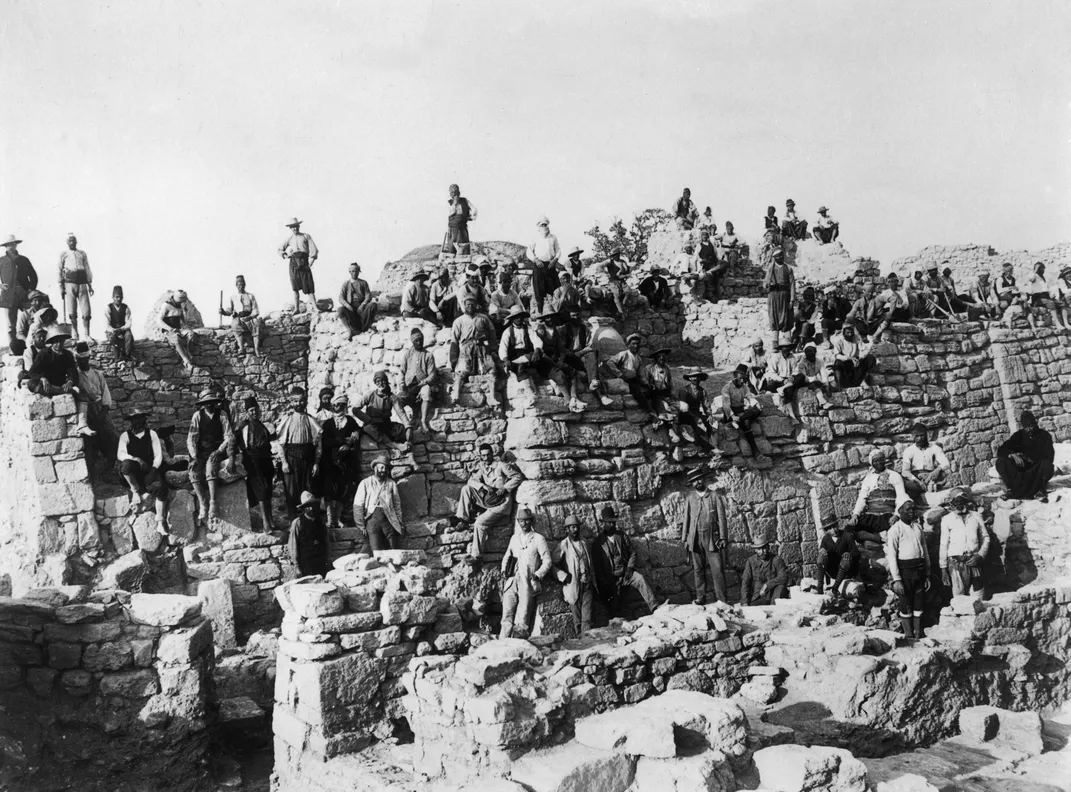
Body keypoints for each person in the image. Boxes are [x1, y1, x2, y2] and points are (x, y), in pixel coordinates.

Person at [452, 443, 525, 555]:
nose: (486, 458)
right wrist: (484, 486)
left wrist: (505, 488)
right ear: (481, 456)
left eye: (488, 455)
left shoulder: (501, 466)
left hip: (501, 504)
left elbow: (518, 476)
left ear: (492, 454)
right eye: (483, 456)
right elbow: (471, 481)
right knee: (466, 489)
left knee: (479, 523)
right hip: (489, 500)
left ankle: (476, 556)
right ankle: (463, 519)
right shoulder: (483, 468)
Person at [25, 324, 96, 437]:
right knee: (32, 384)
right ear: (52, 342)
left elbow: (72, 371)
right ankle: (61, 391)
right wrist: (43, 378)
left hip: (61, 384)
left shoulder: (67, 355)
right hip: (47, 385)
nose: (59, 344)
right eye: (56, 341)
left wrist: (70, 382)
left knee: (83, 395)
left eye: (61, 341)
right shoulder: (44, 353)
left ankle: (82, 425)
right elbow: (32, 371)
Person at [592, 505, 658, 617]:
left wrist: (629, 568)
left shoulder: (621, 536)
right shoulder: (599, 542)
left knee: (640, 579)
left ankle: (655, 606)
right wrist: (606, 581)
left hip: (626, 574)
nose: (612, 525)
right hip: (611, 579)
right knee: (615, 607)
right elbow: (597, 567)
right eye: (609, 522)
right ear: (603, 523)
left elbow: (632, 553)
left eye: (613, 522)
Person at [499, 506, 553, 639]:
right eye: (522, 521)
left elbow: (547, 561)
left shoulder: (538, 539)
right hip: (512, 581)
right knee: (507, 614)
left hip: (527, 582)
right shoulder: (514, 539)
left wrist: (537, 574)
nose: (524, 524)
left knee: (522, 617)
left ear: (532, 521)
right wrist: (504, 570)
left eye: (527, 521)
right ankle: (502, 644)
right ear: (518, 522)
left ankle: (518, 646)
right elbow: (507, 556)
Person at [117, 410, 171, 538]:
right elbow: (121, 454)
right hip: (133, 472)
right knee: (126, 465)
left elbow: (158, 455)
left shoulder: (151, 434)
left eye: (140, 419)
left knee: (160, 488)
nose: (138, 422)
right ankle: (135, 491)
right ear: (130, 422)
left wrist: (152, 471)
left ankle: (160, 521)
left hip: (148, 469)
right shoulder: (125, 436)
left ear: (145, 420)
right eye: (134, 420)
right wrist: (136, 459)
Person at [188, 388, 238, 525]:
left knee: (210, 468)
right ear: (203, 404)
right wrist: (194, 456)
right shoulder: (197, 416)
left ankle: (213, 502)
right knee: (193, 472)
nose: (209, 405)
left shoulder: (221, 414)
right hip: (201, 451)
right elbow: (191, 438)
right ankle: (203, 503)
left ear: (215, 403)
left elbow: (228, 435)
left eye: (212, 402)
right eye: (206, 403)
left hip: (216, 450)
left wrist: (219, 450)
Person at [680, 466, 729, 604]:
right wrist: (685, 538)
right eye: (694, 481)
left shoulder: (714, 496)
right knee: (698, 569)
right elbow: (686, 519)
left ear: (704, 479)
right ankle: (701, 598)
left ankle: (722, 600)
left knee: (717, 569)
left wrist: (724, 537)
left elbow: (722, 517)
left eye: (699, 479)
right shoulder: (690, 498)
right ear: (692, 483)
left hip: (712, 538)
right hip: (695, 538)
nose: (698, 483)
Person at [274, 385, 322, 520]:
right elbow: (281, 443)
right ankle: (293, 520)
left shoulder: (310, 420)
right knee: (292, 491)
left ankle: (309, 520)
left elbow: (318, 445)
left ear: (305, 401)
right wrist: (283, 462)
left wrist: (316, 463)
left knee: (308, 489)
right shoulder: (287, 419)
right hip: (291, 459)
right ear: (291, 402)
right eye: (295, 401)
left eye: (301, 401)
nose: (299, 404)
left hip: (308, 459)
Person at [886, 499, 931, 639]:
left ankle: (918, 633)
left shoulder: (917, 527)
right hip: (905, 572)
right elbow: (892, 556)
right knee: (905, 604)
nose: (911, 512)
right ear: (899, 511)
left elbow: (925, 551)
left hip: (919, 570)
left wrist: (928, 574)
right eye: (907, 509)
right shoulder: (895, 530)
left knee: (919, 603)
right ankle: (909, 635)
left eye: (913, 509)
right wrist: (897, 579)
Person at [451, 295, 504, 408]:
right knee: (461, 370)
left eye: (473, 305)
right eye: (468, 305)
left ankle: (492, 396)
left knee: (492, 369)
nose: (470, 307)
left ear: (476, 306)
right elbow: (454, 341)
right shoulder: (458, 321)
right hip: (466, 349)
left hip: (481, 349)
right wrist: (453, 358)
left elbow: (492, 334)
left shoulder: (483, 318)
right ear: (464, 306)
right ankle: (455, 394)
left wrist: (493, 349)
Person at [320, 392, 361, 530]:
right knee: (329, 489)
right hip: (330, 461)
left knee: (343, 489)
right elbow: (325, 441)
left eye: (340, 405)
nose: (337, 408)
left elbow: (357, 434)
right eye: (335, 405)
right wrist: (342, 441)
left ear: (344, 406)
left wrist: (349, 444)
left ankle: (339, 519)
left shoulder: (350, 421)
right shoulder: (328, 423)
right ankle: (330, 519)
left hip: (346, 461)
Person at [939, 488, 989, 600]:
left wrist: (980, 555)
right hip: (956, 564)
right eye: (956, 502)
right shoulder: (947, 520)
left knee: (978, 597)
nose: (959, 504)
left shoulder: (976, 516)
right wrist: (943, 568)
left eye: (962, 501)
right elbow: (943, 544)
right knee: (959, 598)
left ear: (966, 502)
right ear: (951, 504)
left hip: (974, 562)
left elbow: (985, 537)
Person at [559, 306, 613, 409]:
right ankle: (601, 395)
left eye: (577, 315)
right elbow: (562, 348)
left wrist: (583, 352)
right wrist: (576, 353)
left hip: (581, 354)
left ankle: (593, 382)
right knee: (578, 370)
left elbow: (589, 344)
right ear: (569, 317)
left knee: (591, 355)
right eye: (573, 316)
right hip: (569, 356)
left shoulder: (584, 328)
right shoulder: (564, 329)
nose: (576, 317)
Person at [235, 396, 275, 532]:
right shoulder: (243, 427)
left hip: (265, 460)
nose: (254, 413)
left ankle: (271, 519)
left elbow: (269, 442)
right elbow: (235, 442)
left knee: (268, 489)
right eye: (251, 410)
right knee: (261, 490)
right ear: (247, 412)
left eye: (256, 410)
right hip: (252, 461)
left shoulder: (263, 425)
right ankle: (266, 524)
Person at [995, 411, 1055, 502]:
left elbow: (1050, 457)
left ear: (1036, 425)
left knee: (1047, 465)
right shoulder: (1019, 435)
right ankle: (1011, 490)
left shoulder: (1044, 436)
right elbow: (1001, 450)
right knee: (1001, 461)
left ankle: (1040, 490)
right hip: (1020, 472)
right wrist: (1013, 455)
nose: (1029, 429)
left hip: (1035, 471)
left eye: (1031, 426)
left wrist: (1029, 458)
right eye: (1026, 427)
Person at [847, 448, 907, 539]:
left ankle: (875, 538)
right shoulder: (868, 479)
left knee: (897, 530)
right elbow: (861, 499)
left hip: (888, 515)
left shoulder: (895, 476)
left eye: (881, 459)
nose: (879, 462)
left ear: (884, 460)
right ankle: (876, 538)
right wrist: (855, 515)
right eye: (876, 460)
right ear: (872, 463)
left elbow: (901, 497)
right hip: (871, 515)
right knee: (849, 529)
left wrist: (896, 515)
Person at [75, 341, 119, 463]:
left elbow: (106, 396)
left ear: (89, 358)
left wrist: (102, 415)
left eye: (85, 359)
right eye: (79, 360)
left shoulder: (97, 374)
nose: (82, 362)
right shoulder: (75, 375)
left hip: (100, 409)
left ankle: (111, 469)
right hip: (85, 410)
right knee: (89, 444)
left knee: (114, 438)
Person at [555, 514, 596, 636]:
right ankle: (581, 640)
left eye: (576, 527)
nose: (575, 530)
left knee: (587, 617)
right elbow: (552, 564)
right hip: (573, 585)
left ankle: (587, 640)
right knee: (577, 619)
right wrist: (562, 576)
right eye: (572, 527)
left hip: (587, 584)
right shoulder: (564, 545)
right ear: (567, 530)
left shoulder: (584, 542)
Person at [353, 455, 405, 552]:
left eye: (385, 468)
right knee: (376, 551)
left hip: (388, 520)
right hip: (372, 520)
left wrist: (399, 521)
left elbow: (397, 505)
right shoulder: (365, 483)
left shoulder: (391, 484)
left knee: (392, 550)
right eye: (381, 467)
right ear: (375, 468)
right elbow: (358, 505)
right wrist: (360, 525)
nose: (383, 470)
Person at [352, 369, 411, 447]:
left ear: (386, 382)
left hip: (386, 424)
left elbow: (400, 412)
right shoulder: (370, 395)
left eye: (383, 381)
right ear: (375, 383)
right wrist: (368, 419)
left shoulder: (392, 397)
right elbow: (355, 409)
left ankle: (408, 450)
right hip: (372, 424)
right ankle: (393, 445)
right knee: (370, 429)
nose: (381, 383)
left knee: (402, 430)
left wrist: (408, 426)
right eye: (378, 382)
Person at [399, 328, 440, 434]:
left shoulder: (428, 355)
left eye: (421, 340)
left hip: (422, 385)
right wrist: (402, 385)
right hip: (409, 386)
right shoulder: (407, 354)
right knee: (397, 400)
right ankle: (406, 423)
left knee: (426, 392)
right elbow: (402, 371)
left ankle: (423, 421)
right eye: (416, 341)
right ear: (412, 342)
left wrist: (422, 383)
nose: (419, 342)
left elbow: (432, 375)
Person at [602, 334, 653, 418]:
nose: (636, 346)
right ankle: (650, 412)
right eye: (633, 344)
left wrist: (646, 383)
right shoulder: (623, 354)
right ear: (628, 345)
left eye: (637, 344)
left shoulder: (638, 359)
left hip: (634, 379)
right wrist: (620, 374)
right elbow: (610, 362)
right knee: (637, 392)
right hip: (626, 380)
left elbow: (639, 373)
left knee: (649, 389)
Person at [718, 364, 762, 458]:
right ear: (735, 377)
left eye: (744, 379)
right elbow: (726, 404)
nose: (742, 381)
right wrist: (733, 416)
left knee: (757, 410)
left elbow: (750, 397)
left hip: (741, 411)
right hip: (731, 411)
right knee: (746, 424)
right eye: (740, 378)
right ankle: (756, 451)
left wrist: (757, 404)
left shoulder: (744, 387)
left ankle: (739, 420)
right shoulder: (727, 388)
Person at [57, 233, 94, 342]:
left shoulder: (82, 254)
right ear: (67, 242)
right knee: (72, 310)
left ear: (76, 241)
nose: (72, 243)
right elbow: (59, 270)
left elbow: (87, 268)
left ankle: (87, 334)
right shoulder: (64, 254)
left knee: (86, 310)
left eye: (73, 240)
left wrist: (89, 284)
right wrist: (61, 286)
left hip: (82, 284)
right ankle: (75, 333)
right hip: (69, 284)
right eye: (70, 241)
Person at [278, 218, 319, 313]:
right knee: (295, 287)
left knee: (309, 286)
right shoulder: (290, 239)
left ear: (299, 226)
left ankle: (315, 307)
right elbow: (280, 249)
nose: (294, 229)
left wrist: (310, 263)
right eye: (292, 227)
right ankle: (296, 308)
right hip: (293, 263)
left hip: (304, 262)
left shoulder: (306, 236)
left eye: (296, 226)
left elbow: (314, 250)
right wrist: (285, 254)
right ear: (290, 228)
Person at [672, 370, 715, 457]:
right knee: (699, 424)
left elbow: (706, 404)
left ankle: (713, 446)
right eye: (693, 377)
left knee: (710, 423)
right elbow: (682, 407)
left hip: (696, 413)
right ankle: (707, 448)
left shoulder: (702, 391)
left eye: (697, 377)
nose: (695, 379)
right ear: (690, 379)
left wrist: (709, 415)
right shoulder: (684, 390)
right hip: (685, 414)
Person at [901, 423, 950, 499]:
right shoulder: (909, 450)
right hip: (916, 478)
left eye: (922, 435)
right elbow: (905, 471)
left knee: (944, 475)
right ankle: (930, 487)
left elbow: (946, 463)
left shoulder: (934, 448)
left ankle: (928, 487)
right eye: (917, 436)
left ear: (926, 435)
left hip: (931, 476)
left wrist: (936, 470)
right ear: (913, 437)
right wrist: (918, 481)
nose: (920, 438)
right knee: (903, 482)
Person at [287, 491, 330, 577]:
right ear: (303, 508)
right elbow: (293, 544)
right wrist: (296, 566)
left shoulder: (321, 522)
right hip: (306, 563)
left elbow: (327, 541)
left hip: (320, 561)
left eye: (313, 505)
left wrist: (328, 560)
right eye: (308, 506)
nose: (311, 508)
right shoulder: (297, 523)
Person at [222, 275, 265, 356]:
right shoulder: (233, 297)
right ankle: (241, 348)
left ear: (244, 285)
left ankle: (256, 349)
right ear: (236, 286)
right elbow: (229, 310)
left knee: (257, 324)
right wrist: (224, 312)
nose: (240, 286)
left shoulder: (250, 296)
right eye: (238, 285)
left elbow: (256, 310)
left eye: (242, 284)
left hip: (249, 318)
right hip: (238, 318)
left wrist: (250, 317)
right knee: (235, 325)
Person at [817, 517, 860, 600]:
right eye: (829, 528)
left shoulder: (847, 536)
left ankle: (835, 588)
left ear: (837, 525)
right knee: (821, 556)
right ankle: (819, 587)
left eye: (834, 526)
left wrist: (849, 554)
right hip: (833, 571)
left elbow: (857, 554)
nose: (833, 530)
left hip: (846, 571)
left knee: (846, 559)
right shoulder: (826, 539)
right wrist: (822, 551)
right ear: (826, 531)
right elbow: (822, 553)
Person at [527, 216, 562, 316]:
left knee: (555, 290)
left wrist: (555, 260)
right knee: (539, 292)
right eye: (542, 225)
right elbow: (529, 251)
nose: (544, 226)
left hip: (550, 266)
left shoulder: (553, 237)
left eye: (545, 224)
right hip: (539, 266)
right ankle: (540, 314)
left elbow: (558, 250)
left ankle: (556, 313)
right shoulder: (535, 237)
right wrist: (536, 260)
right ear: (539, 226)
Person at [740, 538, 789, 606]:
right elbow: (746, 581)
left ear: (768, 547)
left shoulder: (776, 559)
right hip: (759, 595)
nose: (762, 552)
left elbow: (784, 577)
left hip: (774, 594)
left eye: (764, 548)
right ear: (755, 550)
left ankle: (774, 607)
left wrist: (767, 585)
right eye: (759, 549)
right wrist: (745, 601)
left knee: (781, 586)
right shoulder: (751, 561)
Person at [158, 290, 197, 372]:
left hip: (178, 329)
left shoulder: (180, 306)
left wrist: (185, 312)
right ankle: (186, 361)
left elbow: (183, 320)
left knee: (191, 334)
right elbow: (159, 320)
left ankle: (189, 354)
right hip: (168, 330)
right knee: (176, 338)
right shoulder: (166, 305)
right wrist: (170, 329)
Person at [337, 262, 377, 339]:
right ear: (349, 272)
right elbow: (341, 297)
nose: (354, 273)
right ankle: (351, 330)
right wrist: (347, 305)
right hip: (351, 309)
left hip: (362, 308)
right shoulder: (346, 284)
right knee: (340, 310)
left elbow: (368, 296)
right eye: (352, 271)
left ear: (359, 271)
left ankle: (364, 328)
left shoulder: (363, 283)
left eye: (356, 270)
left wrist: (362, 305)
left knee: (373, 305)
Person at [830, 324, 876, 389]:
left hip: (856, 361)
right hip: (846, 362)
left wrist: (859, 359)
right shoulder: (838, 340)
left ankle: (862, 380)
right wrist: (850, 358)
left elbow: (862, 350)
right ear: (843, 334)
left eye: (851, 333)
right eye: (848, 333)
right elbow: (837, 355)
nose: (850, 334)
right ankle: (839, 384)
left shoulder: (856, 337)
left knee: (870, 358)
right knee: (837, 363)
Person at [765, 249, 796, 344]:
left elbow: (792, 285)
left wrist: (791, 300)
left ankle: (787, 342)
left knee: (786, 318)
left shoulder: (788, 268)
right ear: (774, 258)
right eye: (778, 256)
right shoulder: (771, 268)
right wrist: (768, 285)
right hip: (773, 296)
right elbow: (765, 283)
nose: (780, 257)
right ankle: (775, 342)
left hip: (785, 296)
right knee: (774, 318)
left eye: (781, 255)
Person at [793, 343, 832, 411]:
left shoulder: (819, 362)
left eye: (812, 351)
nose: (810, 353)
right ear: (805, 353)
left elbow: (823, 374)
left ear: (815, 352)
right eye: (808, 351)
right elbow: (803, 377)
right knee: (815, 386)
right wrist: (814, 379)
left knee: (825, 385)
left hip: (813, 380)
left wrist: (826, 385)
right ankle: (823, 402)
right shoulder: (802, 363)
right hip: (803, 381)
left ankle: (821, 402)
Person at [1024, 261, 1062, 331]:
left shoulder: (1045, 278)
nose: (1042, 270)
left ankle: (1065, 323)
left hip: (1046, 297)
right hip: (1038, 298)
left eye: (1042, 268)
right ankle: (1057, 323)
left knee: (1062, 303)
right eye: (1040, 269)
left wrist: (1052, 295)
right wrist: (1035, 270)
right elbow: (1030, 278)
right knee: (1051, 303)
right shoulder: (1034, 276)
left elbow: (1048, 289)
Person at [642, 347, 675, 428]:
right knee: (665, 408)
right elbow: (646, 383)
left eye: (663, 356)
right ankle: (669, 430)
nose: (662, 358)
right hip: (655, 395)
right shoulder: (649, 369)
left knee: (682, 408)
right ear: (655, 358)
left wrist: (672, 394)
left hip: (665, 394)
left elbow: (670, 382)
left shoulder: (667, 368)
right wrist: (650, 386)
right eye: (659, 356)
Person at [13, 290, 52, 356]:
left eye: (40, 301)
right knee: (14, 344)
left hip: (44, 340)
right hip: (29, 341)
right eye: (35, 300)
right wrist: (28, 341)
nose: (38, 303)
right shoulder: (24, 315)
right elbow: (19, 333)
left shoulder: (47, 313)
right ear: (31, 302)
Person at [444, 183, 477, 256]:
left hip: (462, 228)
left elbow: (474, 209)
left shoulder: (465, 200)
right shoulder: (449, 203)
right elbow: (450, 213)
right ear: (450, 193)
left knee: (463, 248)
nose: (454, 194)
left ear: (459, 192)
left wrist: (471, 217)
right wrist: (455, 204)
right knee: (452, 249)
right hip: (453, 228)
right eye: (452, 192)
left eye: (455, 192)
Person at [104, 286, 135, 362]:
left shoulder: (126, 308)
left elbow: (128, 323)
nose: (119, 299)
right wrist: (115, 331)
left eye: (120, 297)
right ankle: (118, 359)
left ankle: (127, 355)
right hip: (112, 330)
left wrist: (121, 330)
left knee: (128, 336)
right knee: (114, 340)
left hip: (123, 329)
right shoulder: (108, 308)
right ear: (113, 297)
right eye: (117, 297)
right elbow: (107, 324)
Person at [488, 269, 521, 335]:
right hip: (502, 316)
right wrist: (511, 311)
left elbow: (519, 305)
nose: (507, 284)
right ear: (500, 283)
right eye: (505, 282)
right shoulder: (496, 294)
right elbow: (498, 309)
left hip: (512, 315)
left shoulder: (513, 293)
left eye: (509, 282)